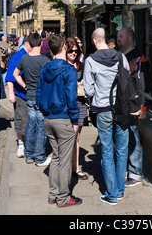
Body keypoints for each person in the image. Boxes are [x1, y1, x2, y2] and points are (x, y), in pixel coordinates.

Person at [83, 27, 130, 206]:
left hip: (103, 109)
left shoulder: (91, 61)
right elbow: (128, 79)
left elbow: (88, 90)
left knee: (108, 151)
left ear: (95, 41)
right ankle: (119, 190)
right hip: (122, 109)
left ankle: (111, 194)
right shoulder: (121, 56)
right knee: (122, 149)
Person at [36, 34, 82, 208]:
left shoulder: (45, 68)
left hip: (48, 118)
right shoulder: (69, 69)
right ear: (64, 47)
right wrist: (75, 119)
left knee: (56, 157)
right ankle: (63, 197)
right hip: (63, 118)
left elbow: (38, 94)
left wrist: (45, 111)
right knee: (64, 159)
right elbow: (72, 97)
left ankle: (53, 194)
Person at [117, 27, 152, 188]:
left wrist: (144, 106)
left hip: (134, 107)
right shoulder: (122, 57)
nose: (118, 39)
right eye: (118, 36)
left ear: (130, 39)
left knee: (133, 139)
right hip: (122, 106)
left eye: (121, 36)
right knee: (125, 139)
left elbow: (144, 85)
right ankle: (128, 169)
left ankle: (136, 173)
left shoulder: (138, 60)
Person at [13, 32, 51, 166]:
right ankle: (39, 157)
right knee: (41, 126)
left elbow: (15, 74)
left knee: (30, 124)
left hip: (29, 96)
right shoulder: (45, 61)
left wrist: (24, 86)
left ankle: (29, 155)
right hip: (41, 97)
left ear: (29, 43)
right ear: (41, 43)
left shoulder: (24, 58)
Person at [5, 37, 32, 157]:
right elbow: (10, 77)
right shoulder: (17, 57)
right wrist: (11, 93)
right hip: (21, 95)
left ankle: (30, 144)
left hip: (33, 95)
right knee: (21, 120)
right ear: (27, 44)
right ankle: (21, 144)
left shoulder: (35, 55)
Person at [66, 37, 88, 180]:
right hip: (66, 106)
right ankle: (66, 168)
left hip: (79, 104)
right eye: (71, 51)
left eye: (76, 51)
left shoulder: (81, 65)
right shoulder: (62, 65)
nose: (74, 53)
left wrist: (83, 85)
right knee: (67, 138)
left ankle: (76, 167)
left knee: (77, 137)